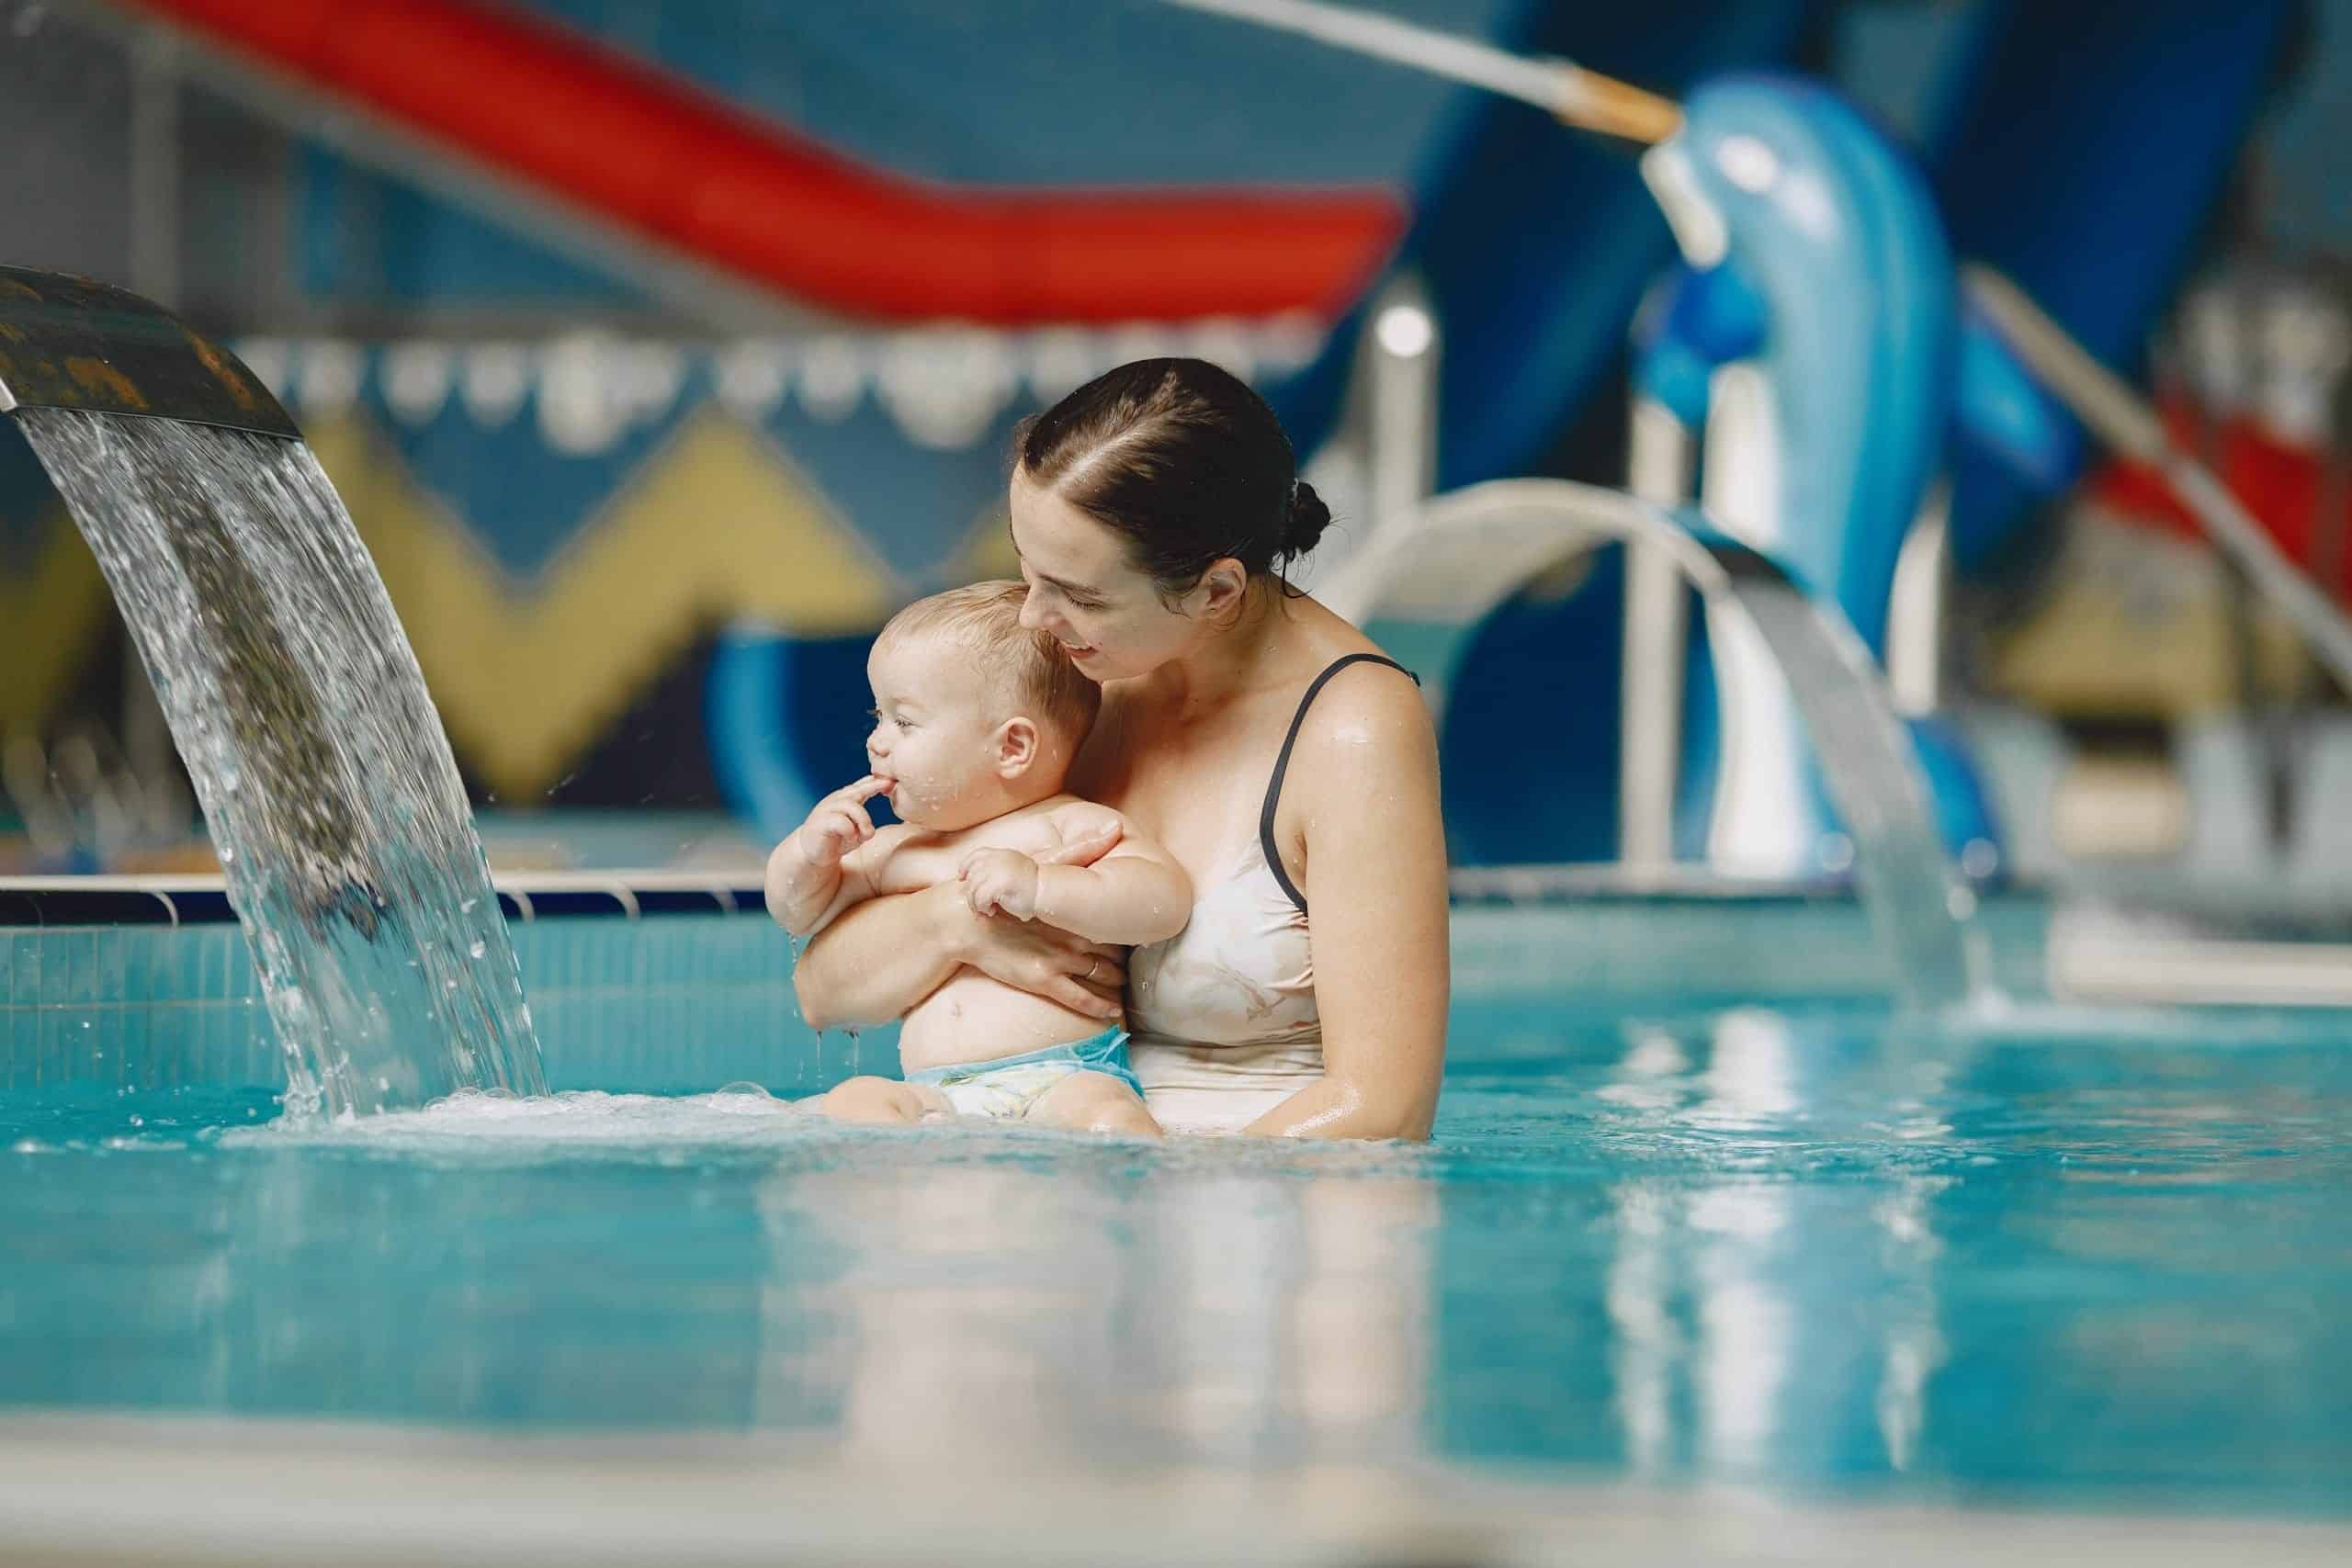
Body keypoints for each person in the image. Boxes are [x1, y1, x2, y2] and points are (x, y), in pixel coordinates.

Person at [792, 358, 1448, 1140]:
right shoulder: (1074, 680)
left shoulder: (1350, 729)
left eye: (1080, 595)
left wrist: (1153, 1200)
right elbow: (821, 991)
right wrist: (953, 924)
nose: (1034, 618)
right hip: (1056, 1193)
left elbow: (1382, 1108)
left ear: (1217, 590)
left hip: (1251, 1202)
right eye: (1029, 571)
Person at [767, 581, 1189, 1135]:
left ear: (1012, 748)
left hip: (1064, 1075)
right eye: (879, 717)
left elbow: (1164, 902)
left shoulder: (1065, 826)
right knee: (854, 1101)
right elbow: (797, 913)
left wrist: (1042, 887)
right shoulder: (894, 848)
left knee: (1106, 1115)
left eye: (905, 722)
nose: (877, 742)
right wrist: (808, 854)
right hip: (936, 1094)